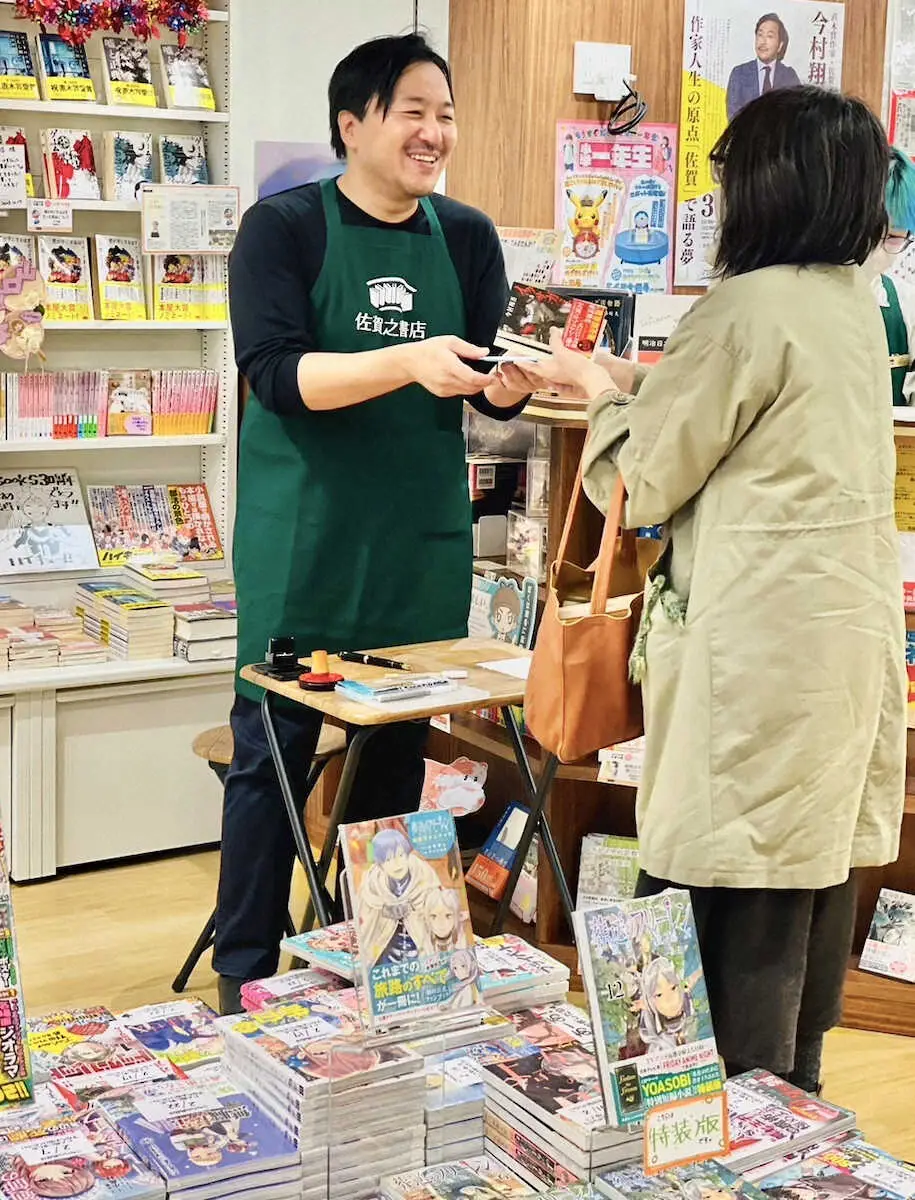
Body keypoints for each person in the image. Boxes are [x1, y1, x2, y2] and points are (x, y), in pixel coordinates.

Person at [501, 86, 905, 1095]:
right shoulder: (851, 300)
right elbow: (762, 422)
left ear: (766, 185)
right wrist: (646, 380)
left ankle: (704, 1135)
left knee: (717, 914)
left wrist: (598, 396)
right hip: (834, 651)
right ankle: (788, 1120)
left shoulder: (742, 306)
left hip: (752, 664)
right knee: (800, 889)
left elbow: (641, 486)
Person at [219, 33, 528, 1015]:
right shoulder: (283, 230)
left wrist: (513, 385)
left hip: (416, 548)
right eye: (413, 111)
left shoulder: (469, 237)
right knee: (272, 764)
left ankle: (385, 968)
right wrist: (406, 360)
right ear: (351, 125)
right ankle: (247, 975)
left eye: (445, 114)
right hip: (306, 547)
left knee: (395, 759)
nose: (434, 132)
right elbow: (277, 375)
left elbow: (484, 376)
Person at [867, 147, 915, 406]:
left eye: (894, 238)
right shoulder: (794, 300)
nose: (875, 249)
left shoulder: (908, 306)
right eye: (869, 231)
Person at [726, 13, 801, 121]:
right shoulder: (739, 73)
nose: (763, 41)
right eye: (760, 35)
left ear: (780, 45)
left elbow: (796, 114)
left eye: (770, 36)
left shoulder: (789, 76)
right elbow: (733, 115)